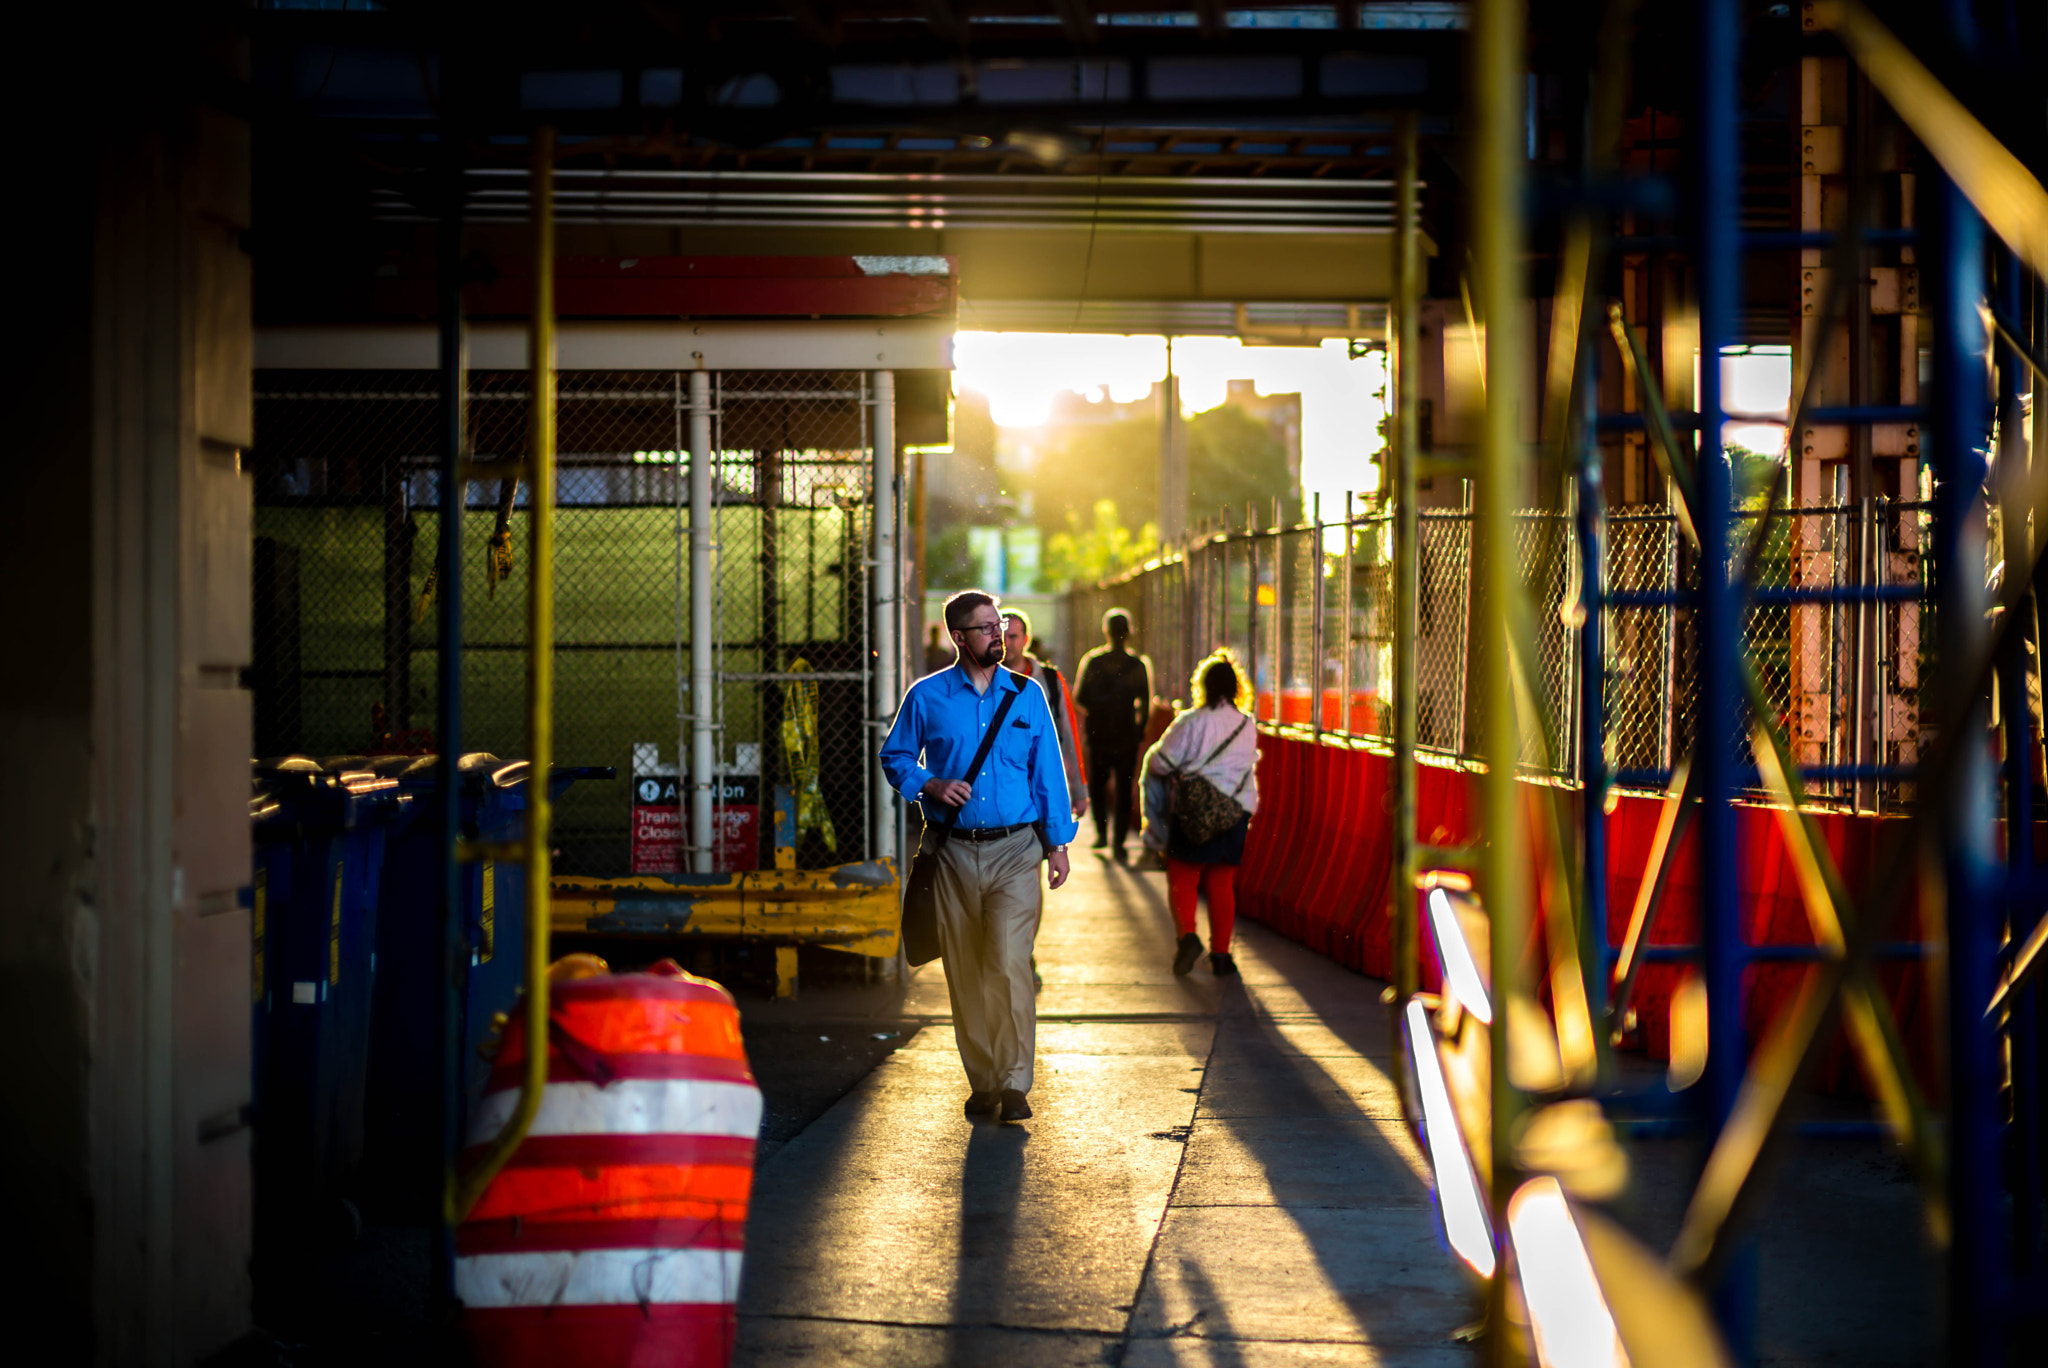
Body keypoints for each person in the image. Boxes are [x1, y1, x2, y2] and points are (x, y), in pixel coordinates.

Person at [880, 590, 1076, 1123]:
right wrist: (930, 783)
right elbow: (894, 755)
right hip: (953, 855)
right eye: (986, 627)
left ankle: (1015, 1083)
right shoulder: (927, 697)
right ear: (958, 637)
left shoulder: (1027, 695)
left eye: (1000, 624)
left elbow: (1048, 774)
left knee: (1009, 965)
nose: (998, 634)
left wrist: (1057, 844)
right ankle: (984, 1081)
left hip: (1016, 850)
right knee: (965, 969)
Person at [1140, 651, 1259, 977]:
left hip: (1193, 809)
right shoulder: (1246, 724)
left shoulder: (1191, 721)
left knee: (1183, 876)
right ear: (1237, 688)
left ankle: (1187, 937)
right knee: (1222, 880)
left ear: (1202, 685)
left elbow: (1161, 762)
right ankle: (1222, 954)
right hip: (1235, 810)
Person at [1073, 608, 1154, 860]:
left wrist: (1100, 707)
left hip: (1099, 733)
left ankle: (1102, 834)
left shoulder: (1094, 662)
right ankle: (1119, 840)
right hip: (1127, 733)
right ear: (1129, 633)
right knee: (1124, 786)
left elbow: (1080, 697)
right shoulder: (1138, 665)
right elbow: (1146, 701)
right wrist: (1139, 729)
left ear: (1105, 631)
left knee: (1097, 785)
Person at [1002, 609, 1088, 821]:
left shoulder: (1050, 680)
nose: (1006, 643)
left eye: (1013, 636)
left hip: (1044, 782)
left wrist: (1079, 791)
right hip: (1004, 786)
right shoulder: (983, 680)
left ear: (1026, 639)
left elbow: (1069, 735)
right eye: (1001, 636)